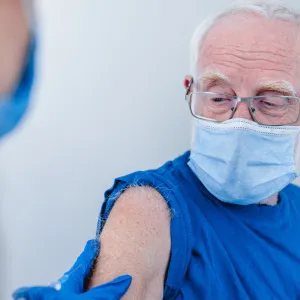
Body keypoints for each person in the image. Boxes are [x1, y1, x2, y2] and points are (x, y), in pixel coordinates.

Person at [13, 1, 300, 299]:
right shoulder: (149, 205)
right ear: (191, 91)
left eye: (271, 102)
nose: (238, 121)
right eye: (218, 97)